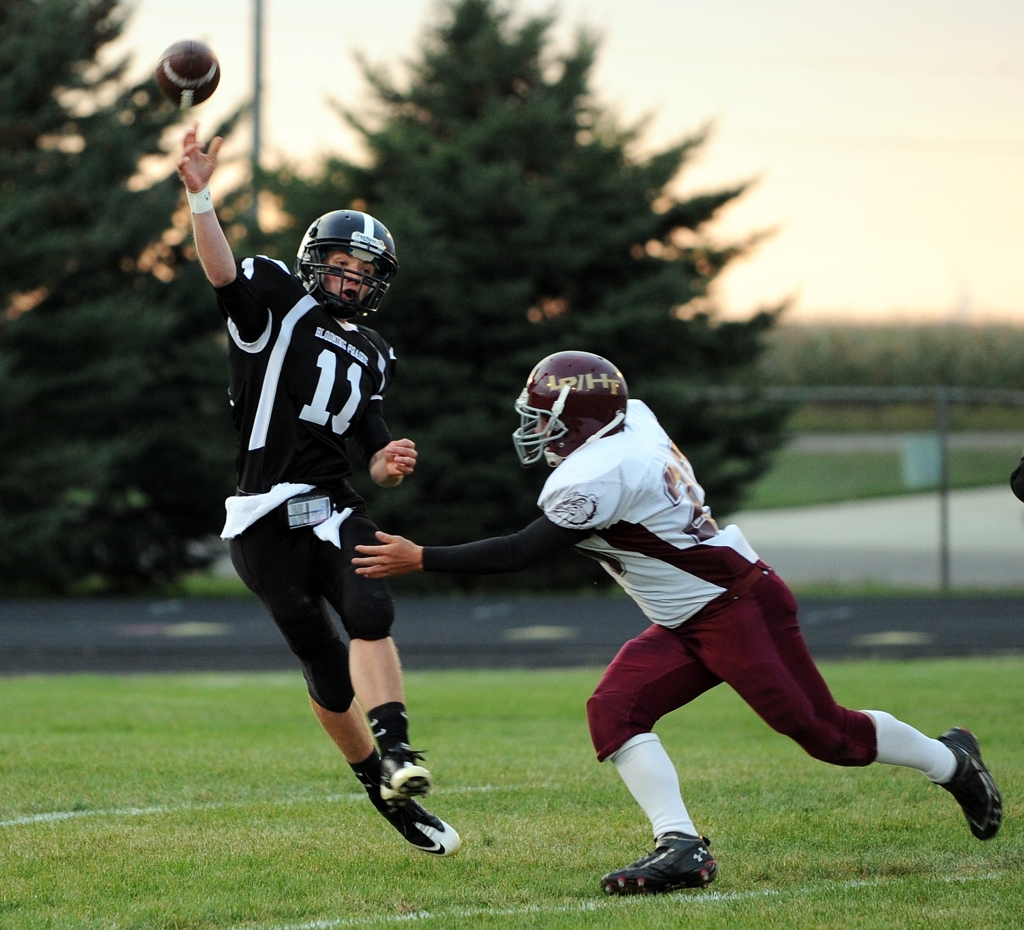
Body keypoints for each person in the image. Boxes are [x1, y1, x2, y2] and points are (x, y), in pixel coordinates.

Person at [352, 350, 1002, 891]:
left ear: (578, 425)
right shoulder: (630, 417)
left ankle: (953, 762)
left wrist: (421, 557)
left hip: (737, 606)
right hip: (688, 614)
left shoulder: (601, 471)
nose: (534, 430)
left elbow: (523, 551)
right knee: (615, 709)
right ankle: (682, 846)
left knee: (826, 735)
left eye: (544, 419)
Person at [176, 125, 460, 857]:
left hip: (334, 504)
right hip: (264, 518)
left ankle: (399, 752)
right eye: (339, 264)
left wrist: (389, 463)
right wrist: (201, 196)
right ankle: (379, 787)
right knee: (325, 668)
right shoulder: (273, 304)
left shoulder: (373, 351)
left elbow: (369, 446)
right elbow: (220, 275)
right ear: (312, 264)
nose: (351, 278)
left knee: (372, 598)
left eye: (365, 270)